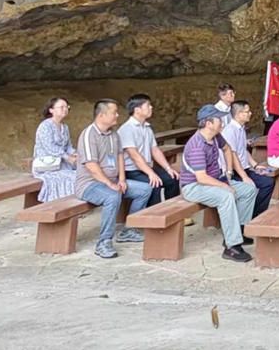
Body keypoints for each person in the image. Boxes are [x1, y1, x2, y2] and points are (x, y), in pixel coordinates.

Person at [75, 99, 154, 259]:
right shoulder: (89, 135)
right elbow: (91, 166)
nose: (117, 115)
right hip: (90, 184)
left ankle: (129, 230)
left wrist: (122, 179)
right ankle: (104, 242)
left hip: (112, 181)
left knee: (145, 189)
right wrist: (109, 184)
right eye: (114, 113)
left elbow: (119, 156)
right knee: (112, 196)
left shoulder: (114, 134)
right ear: (101, 115)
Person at [180, 104, 257, 263]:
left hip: (213, 181)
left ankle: (237, 232)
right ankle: (232, 247)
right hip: (193, 186)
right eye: (219, 120)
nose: (222, 122)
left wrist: (228, 172)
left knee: (249, 189)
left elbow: (227, 149)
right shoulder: (196, 145)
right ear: (209, 123)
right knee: (226, 196)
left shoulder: (215, 136)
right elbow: (201, 178)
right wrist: (225, 185)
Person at [119, 93, 180, 207]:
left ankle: (171, 211)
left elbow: (155, 150)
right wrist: (151, 173)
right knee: (155, 184)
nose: (151, 107)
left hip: (145, 169)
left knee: (173, 178)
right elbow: (134, 156)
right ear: (137, 110)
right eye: (148, 105)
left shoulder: (147, 127)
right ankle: (153, 216)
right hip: (131, 171)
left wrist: (168, 168)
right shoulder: (126, 129)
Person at [224, 100, 276, 217]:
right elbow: (232, 155)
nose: (250, 113)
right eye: (247, 112)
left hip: (245, 169)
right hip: (235, 172)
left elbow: (243, 150)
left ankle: (255, 215)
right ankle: (246, 218)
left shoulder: (241, 128)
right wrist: (244, 177)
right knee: (249, 187)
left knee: (268, 182)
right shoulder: (230, 130)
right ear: (239, 114)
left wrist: (255, 165)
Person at [32, 96, 78, 202]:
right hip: (47, 165)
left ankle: (73, 203)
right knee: (68, 178)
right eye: (61, 107)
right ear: (51, 110)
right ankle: (61, 203)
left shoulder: (64, 127)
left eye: (67, 107)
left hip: (62, 164)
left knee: (80, 174)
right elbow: (50, 147)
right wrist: (68, 158)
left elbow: (68, 146)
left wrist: (76, 154)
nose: (65, 109)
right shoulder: (45, 126)